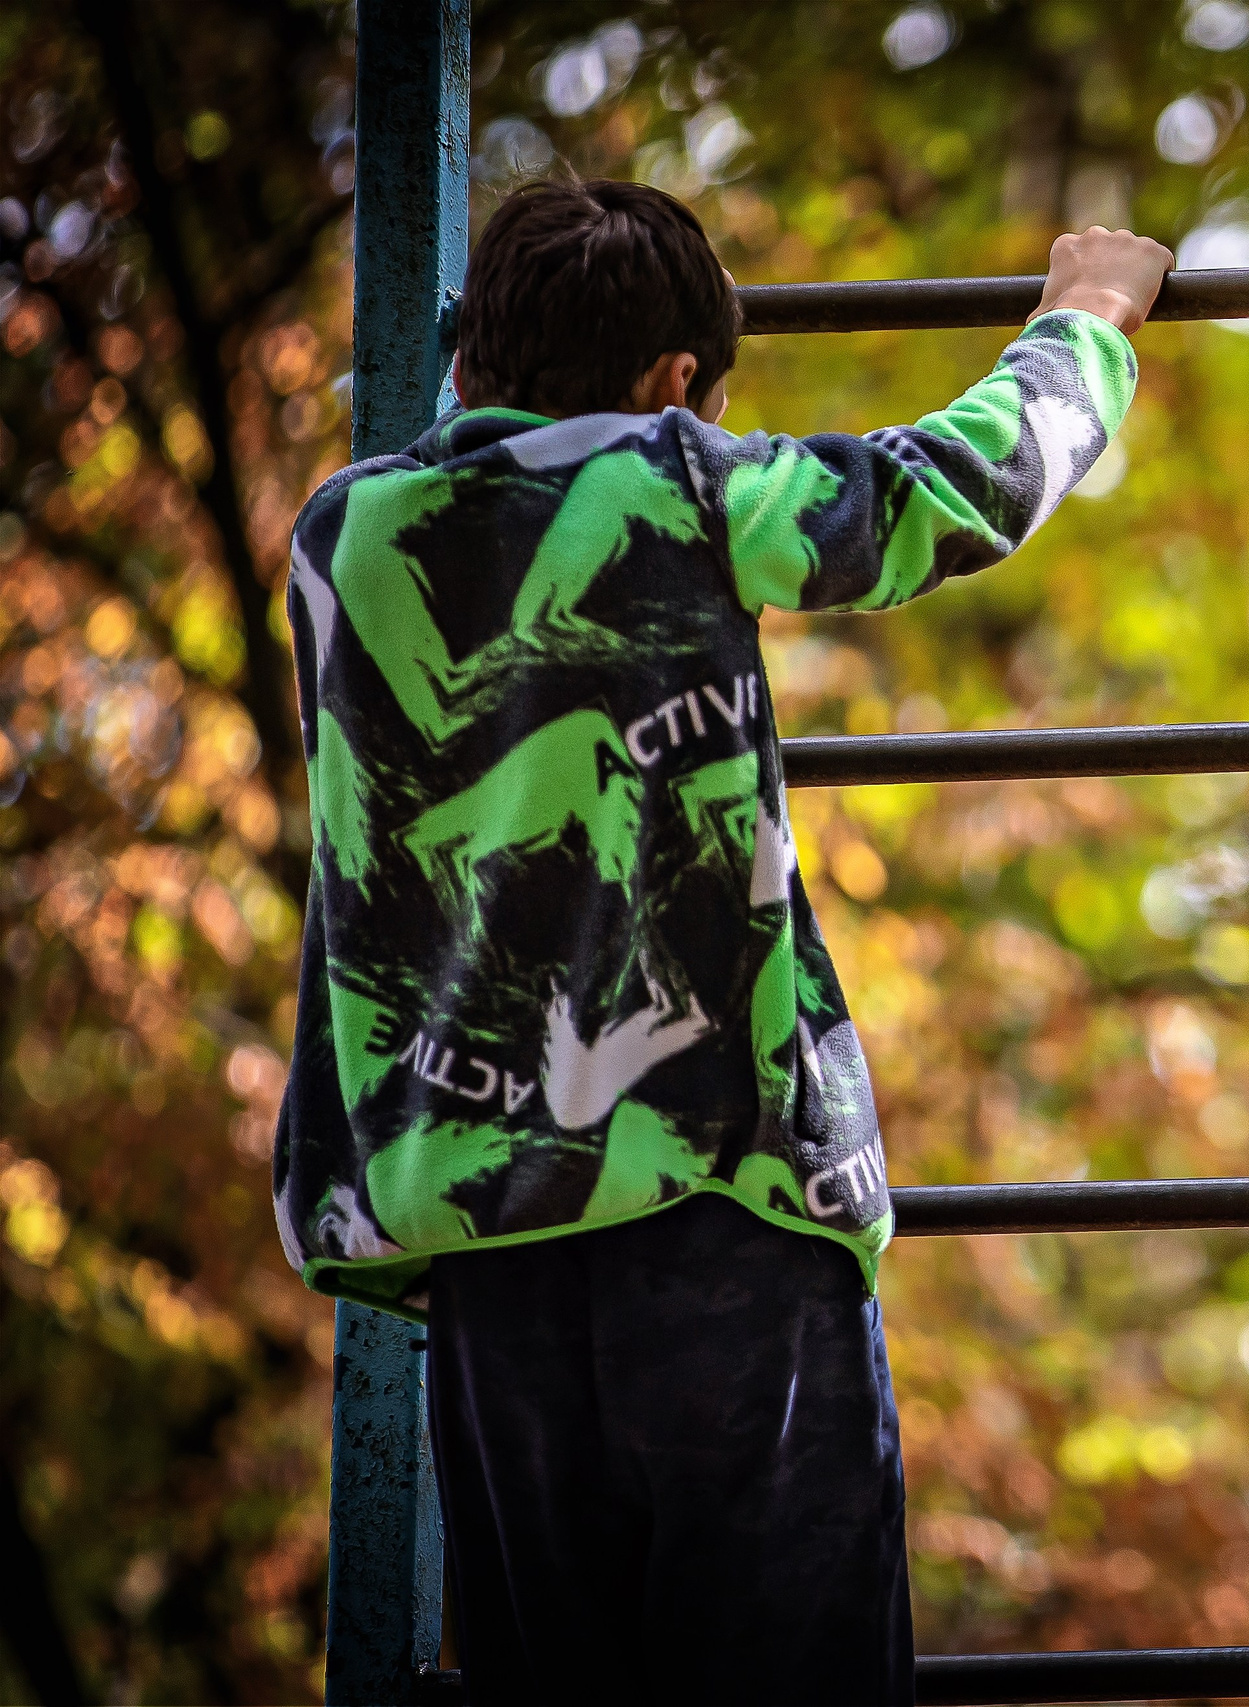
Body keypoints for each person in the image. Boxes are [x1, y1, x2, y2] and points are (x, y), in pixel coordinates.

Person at [274, 178, 1171, 1705]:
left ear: (473, 365)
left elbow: (479, 438)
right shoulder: (686, 485)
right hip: (723, 1215)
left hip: (483, 1249)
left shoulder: (343, 535)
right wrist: (1085, 318)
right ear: (679, 388)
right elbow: (957, 488)